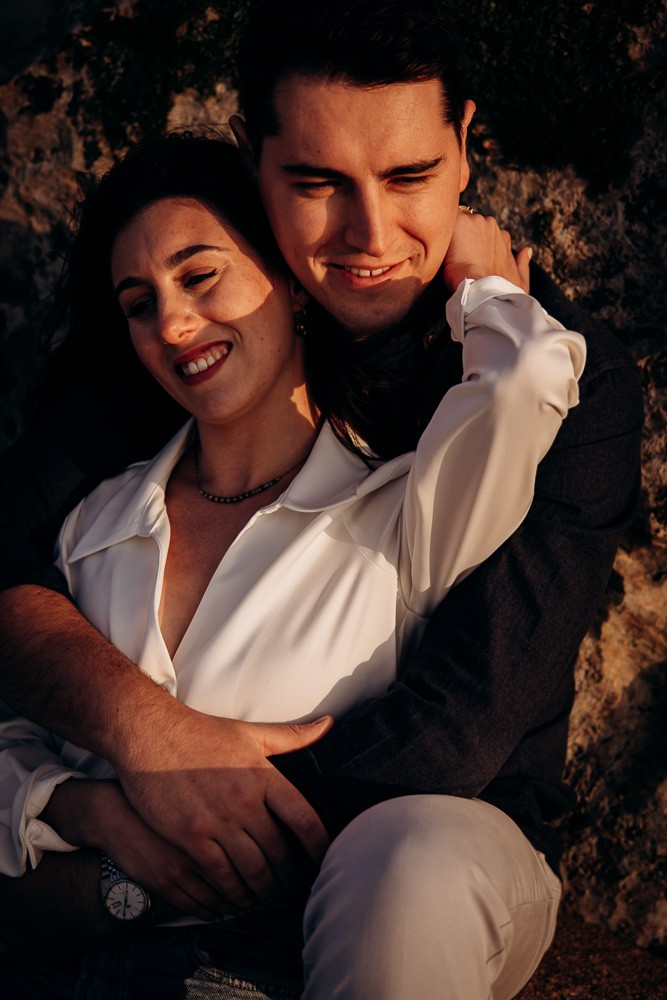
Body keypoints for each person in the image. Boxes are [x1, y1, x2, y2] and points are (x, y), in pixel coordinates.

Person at [0, 0, 642, 996]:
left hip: (445, 834)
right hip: (138, 916)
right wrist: (121, 758)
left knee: (407, 856)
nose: (369, 233)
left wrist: (159, 830)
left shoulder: (535, 393)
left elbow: (460, 729)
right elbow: (9, 558)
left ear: (465, 147)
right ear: (253, 170)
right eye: (314, 183)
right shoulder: (135, 414)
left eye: (410, 176)